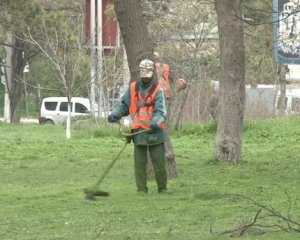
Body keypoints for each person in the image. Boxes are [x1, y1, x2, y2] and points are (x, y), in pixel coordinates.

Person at [107, 58, 168, 193]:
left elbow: (161, 111)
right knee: (139, 164)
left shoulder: (159, 90)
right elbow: (124, 104)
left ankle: (162, 189)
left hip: (155, 132)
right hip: (138, 131)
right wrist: (115, 114)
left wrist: (156, 121)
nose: (145, 79)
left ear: (152, 73)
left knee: (159, 164)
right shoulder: (133, 87)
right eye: (143, 76)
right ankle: (141, 190)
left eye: (148, 76)